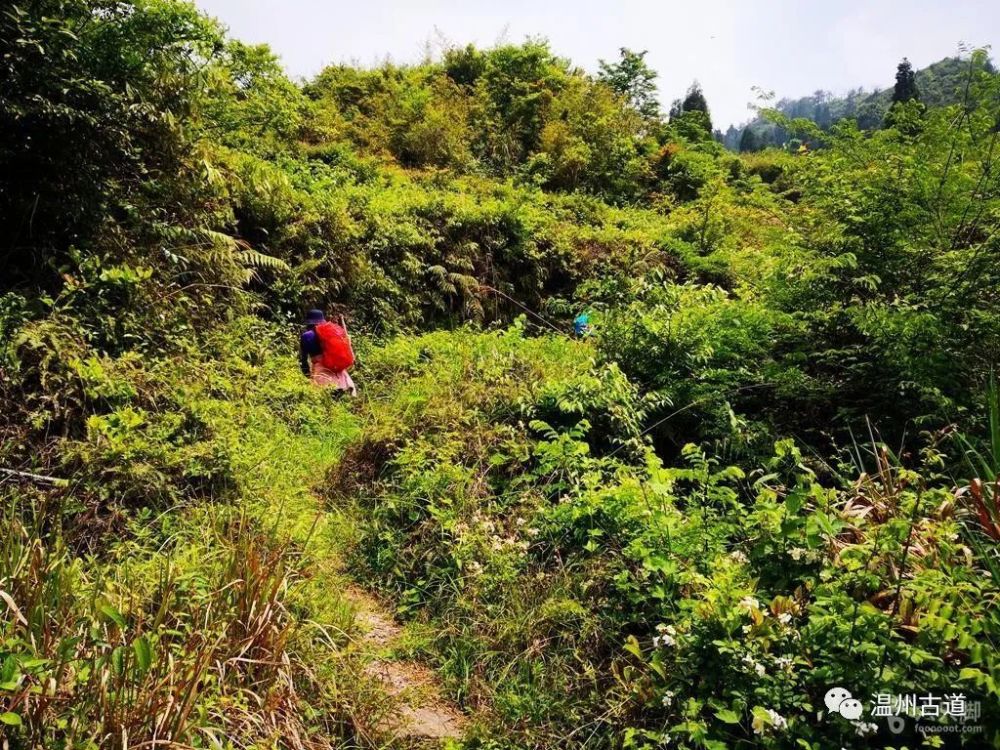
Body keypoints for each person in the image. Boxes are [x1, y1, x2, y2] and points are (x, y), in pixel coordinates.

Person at [300, 309, 357, 396]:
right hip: (341, 375)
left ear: (308, 322)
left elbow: (303, 360)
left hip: (322, 374)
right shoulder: (333, 333)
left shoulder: (306, 336)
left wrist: (308, 375)